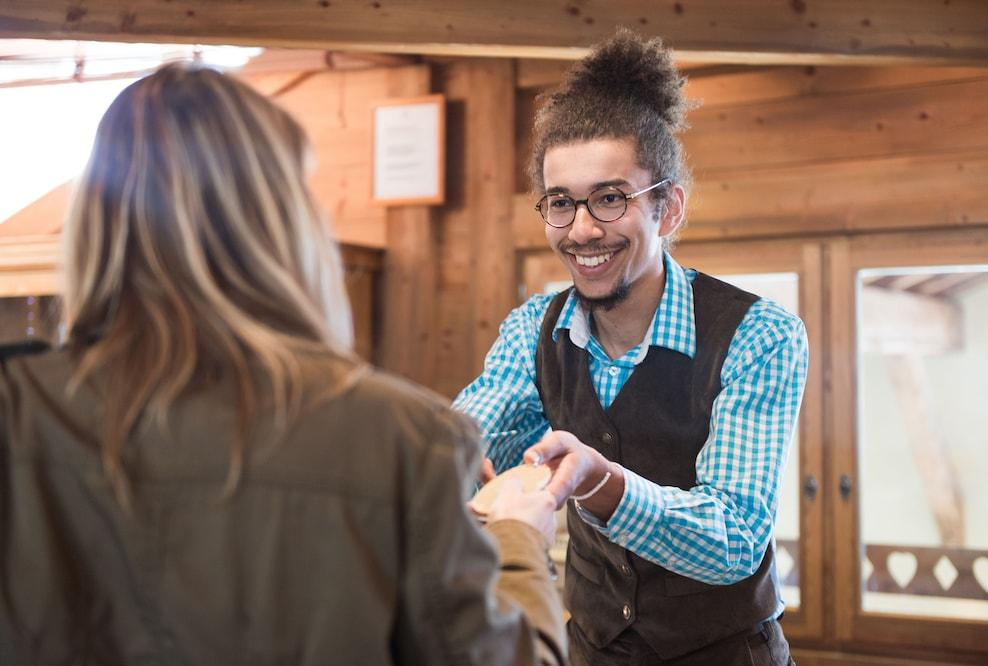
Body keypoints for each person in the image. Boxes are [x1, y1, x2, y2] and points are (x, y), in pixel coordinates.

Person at [0, 64, 566, 665]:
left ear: (95, 224)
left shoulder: (17, 408)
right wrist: (518, 539)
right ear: (285, 223)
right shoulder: (404, 438)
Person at [454, 30, 807, 665]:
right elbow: (468, 434)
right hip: (590, 647)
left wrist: (603, 483)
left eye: (610, 198)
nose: (583, 229)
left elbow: (732, 540)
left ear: (667, 209)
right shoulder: (535, 328)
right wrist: (433, 459)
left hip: (726, 654)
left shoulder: (758, 334)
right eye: (561, 203)